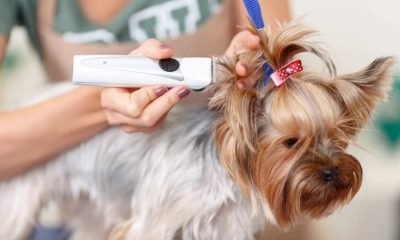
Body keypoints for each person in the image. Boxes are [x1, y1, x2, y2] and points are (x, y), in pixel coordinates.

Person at [0, 0, 290, 180]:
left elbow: (286, 75)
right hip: (101, 206)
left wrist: (260, 73)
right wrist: (101, 103)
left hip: (244, 205)